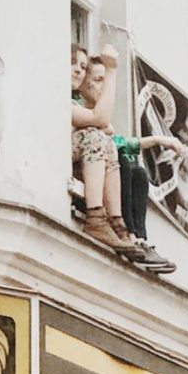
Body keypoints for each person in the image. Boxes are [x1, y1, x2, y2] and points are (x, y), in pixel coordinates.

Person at [79, 55, 179, 273]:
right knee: (124, 162)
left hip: (101, 165)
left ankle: (138, 237)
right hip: (86, 171)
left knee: (139, 174)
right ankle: (126, 232)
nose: (101, 86)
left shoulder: (99, 117)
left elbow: (120, 142)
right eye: (96, 80)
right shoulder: (82, 110)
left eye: (104, 80)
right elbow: (109, 137)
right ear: (83, 85)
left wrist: (158, 140)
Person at [70, 44, 134, 254]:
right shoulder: (60, 100)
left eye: (81, 65)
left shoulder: (74, 104)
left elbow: (108, 127)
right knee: (96, 137)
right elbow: (101, 120)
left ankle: (117, 224)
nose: (78, 69)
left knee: (110, 146)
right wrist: (112, 70)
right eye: (71, 63)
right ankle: (96, 216)